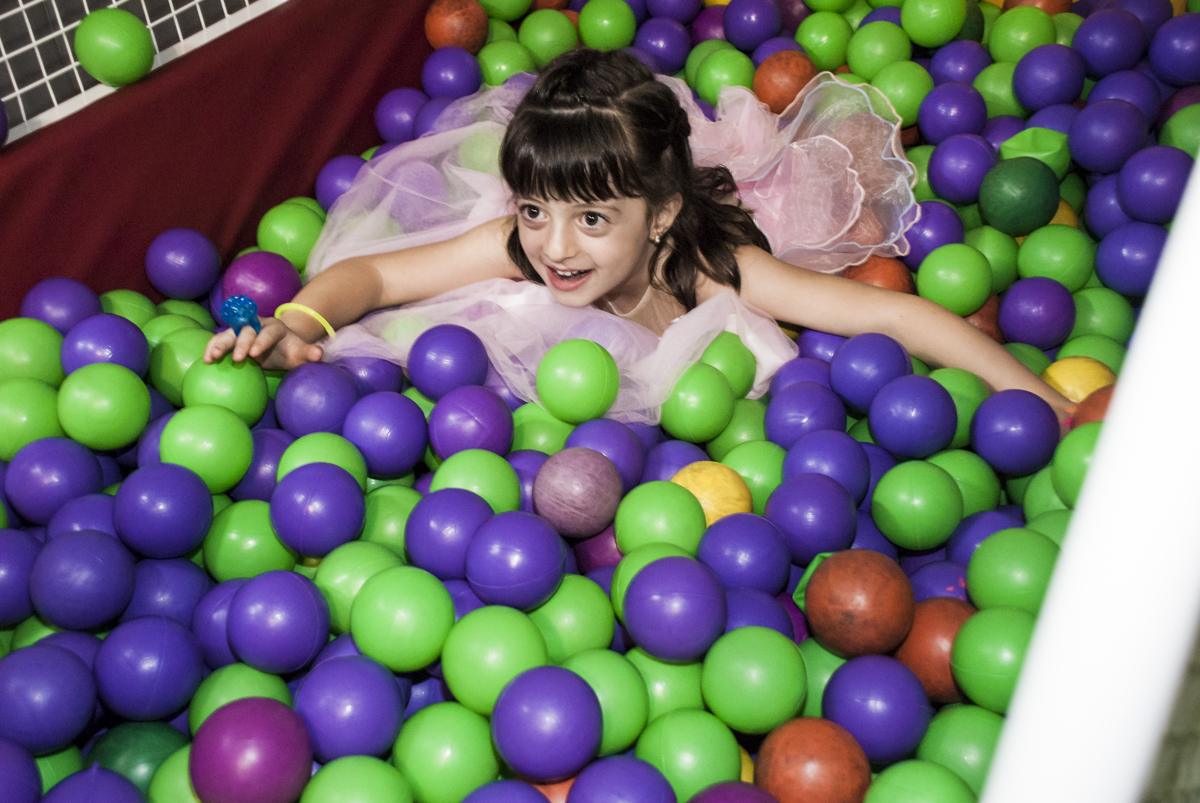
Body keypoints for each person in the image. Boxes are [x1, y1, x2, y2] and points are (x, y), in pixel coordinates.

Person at [205, 48, 1071, 423]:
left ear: (656, 216)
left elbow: (893, 321)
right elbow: (378, 277)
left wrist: (1040, 399)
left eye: (590, 219)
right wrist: (302, 324)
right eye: (537, 209)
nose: (554, 247)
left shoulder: (710, 265)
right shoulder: (521, 245)